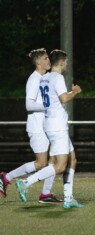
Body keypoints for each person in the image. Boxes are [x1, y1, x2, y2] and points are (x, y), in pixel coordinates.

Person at [16, 49, 84, 208]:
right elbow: (63, 99)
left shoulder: (45, 78)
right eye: (66, 62)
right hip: (57, 126)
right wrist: (75, 91)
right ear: (61, 62)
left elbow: (54, 99)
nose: (67, 64)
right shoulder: (58, 77)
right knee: (59, 166)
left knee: (72, 160)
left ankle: (68, 198)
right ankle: (26, 182)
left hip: (50, 124)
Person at [0, 48, 62, 203]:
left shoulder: (45, 78)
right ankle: (6, 177)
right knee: (41, 163)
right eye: (46, 58)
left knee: (54, 159)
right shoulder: (33, 79)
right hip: (37, 127)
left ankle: (45, 194)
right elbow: (29, 105)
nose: (49, 60)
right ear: (38, 61)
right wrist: (48, 106)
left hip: (46, 126)